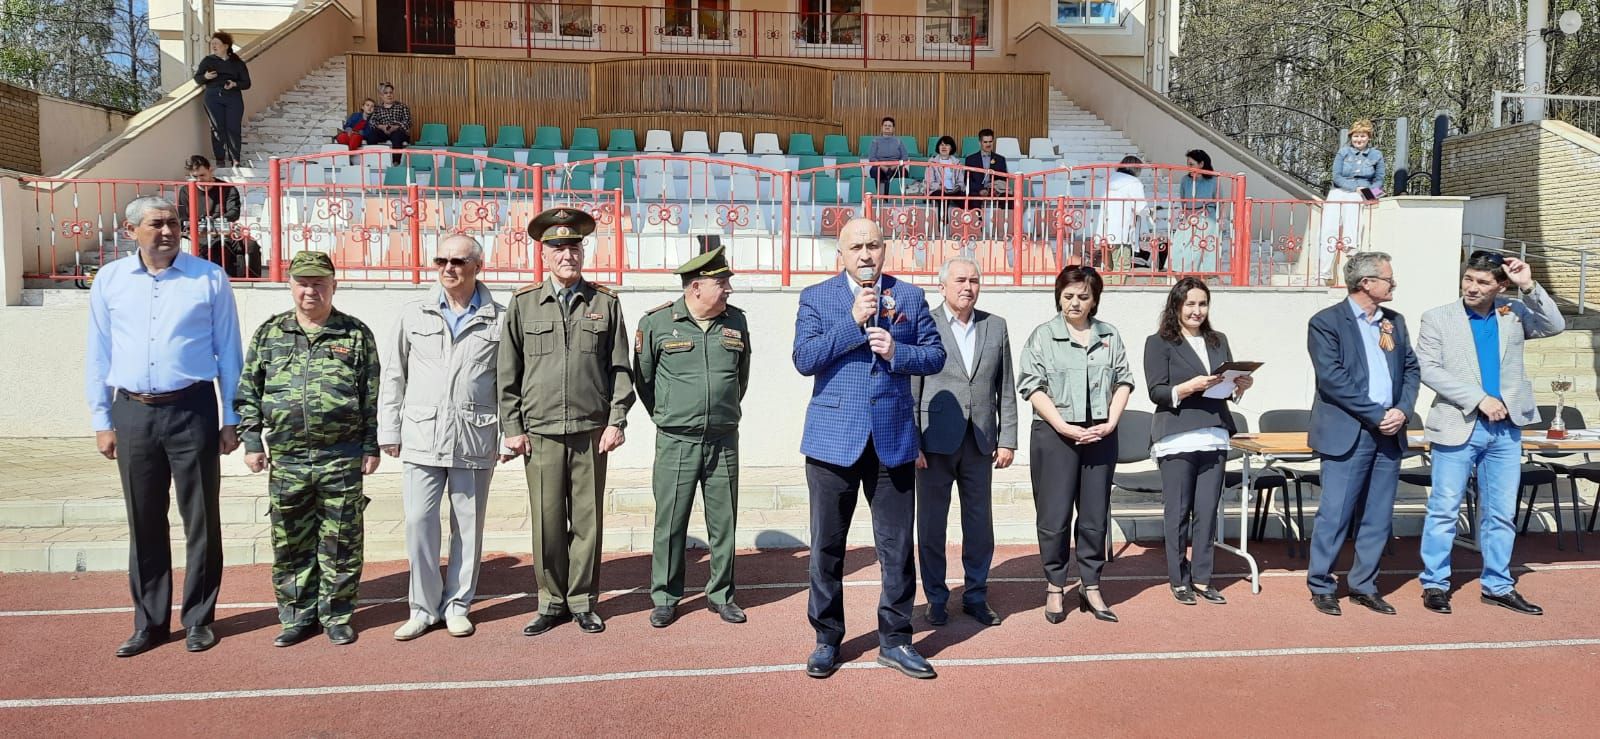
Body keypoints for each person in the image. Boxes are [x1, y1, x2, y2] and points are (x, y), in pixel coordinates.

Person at [86, 196, 242, 657]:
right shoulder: (110, 280)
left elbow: (228, 352)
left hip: (192, 407)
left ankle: (198, 618)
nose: (168, 231)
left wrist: (231, 416)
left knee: (200, 519)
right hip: (131, 411)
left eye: (173, 222)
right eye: (156, 224)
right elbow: (99, 354)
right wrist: (102, 419)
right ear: (133, 230)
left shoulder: (209, 278)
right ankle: (150, 622)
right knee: (144, 519)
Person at [794, 218, 945, 680]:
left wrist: (898, 352)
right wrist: (853, 322)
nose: (865, 254)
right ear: (840, 253)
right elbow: (804, 359)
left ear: (885, 250)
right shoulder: (817, 298)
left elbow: (935, 355)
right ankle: (825, 639)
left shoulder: (912, 296)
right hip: (832, 443)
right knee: (827, 548)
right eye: (856, 246)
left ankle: (896, 640)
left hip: (893, 441)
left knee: (897, 549)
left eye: (873, 245)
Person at [497, 207, 634, 637]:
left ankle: (583, 601)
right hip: (540, 432)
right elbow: (507, 372)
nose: (566, 255)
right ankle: (550, 600)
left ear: (583, 251)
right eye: (557, 247)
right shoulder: (523, 305)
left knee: (588, 522)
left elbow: (621, 369)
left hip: (592, 431)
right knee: (547, 520)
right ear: (544, 254)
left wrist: (617, 420)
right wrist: (513, 427)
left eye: (573, 246)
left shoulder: (605, 304)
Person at [236, 251, 382, 647]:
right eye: (303, 282)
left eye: (319, 283)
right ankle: (297, 617)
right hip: (288, 459)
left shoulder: (354, 334)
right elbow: (248, 392)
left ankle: (336, 615)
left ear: (333, 286)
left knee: (341, 542)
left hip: (341, 457)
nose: (310, 290)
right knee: (289, 541)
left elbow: (371, 396)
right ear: (290, 285)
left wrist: (371, 446)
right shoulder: (270, 333)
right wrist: (252, 442)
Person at [1416, 252, 1563, 616]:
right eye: (1468, 279)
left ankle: (1497, 585)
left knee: (1500, 512)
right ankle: (1435, 583)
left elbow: (1555, 325)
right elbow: (1427, 368)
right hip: (1457, 424)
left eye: (1482, 282)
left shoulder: (1512, 311)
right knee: (1444, 509)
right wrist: (1479, 399)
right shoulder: (1438, 317)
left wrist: (1528, 284)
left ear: (1500, 285)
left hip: (1506, 429)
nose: (1472, 287)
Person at [379, 235, 504, 641]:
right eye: (441, 260)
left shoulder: (500, 319)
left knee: (467, 526)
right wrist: (389, 428)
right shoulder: (413, 314)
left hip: (473, 435)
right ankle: (423, 607)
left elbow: (507, 384)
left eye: (458, 261)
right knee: (419, 522)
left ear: (477, 267)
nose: (448, 268)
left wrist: (508, 432)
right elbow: (393, 374)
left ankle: (458, 605)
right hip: (421, 434)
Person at [633, 247, 751, 628]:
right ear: (696, 287)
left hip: (723, 439)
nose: (729, 289)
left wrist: (721, 411)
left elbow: (741, 378)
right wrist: (671, 416)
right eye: (722, 283)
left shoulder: (737, 322)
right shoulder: (656, 323)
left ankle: (722, 594)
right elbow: (644, 381)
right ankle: (666, 595)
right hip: (676, 441)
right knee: (671, 522)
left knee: (725, 521)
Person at [1305, 251, 1418, 616]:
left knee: (1378, 514)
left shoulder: (1394, 322)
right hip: (1349, 433)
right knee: (1335, 513)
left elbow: (1411, 369)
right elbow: (1332, 378)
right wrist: (1376, 413)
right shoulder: (1326, 322)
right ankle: (1322, 584)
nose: (1394, 283)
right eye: (1388, 278)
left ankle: (1364, 586)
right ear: (1366, 283)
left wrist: (1401, 410)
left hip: (1389, 432)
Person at [1019, 265, 1134, 625]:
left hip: (1100, 434)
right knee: (1054, 516)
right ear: (1058, 296)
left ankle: (1090, 584)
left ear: (1094, 299)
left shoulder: (1109, 336)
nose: (1074, 302)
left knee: (1095, 515)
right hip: (1055, 436)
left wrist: (1111, 422)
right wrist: (1064, 426)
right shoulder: (1042, 336)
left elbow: (1123, 382)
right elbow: (1032, 387)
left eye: (1083, 296)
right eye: (1068, 295)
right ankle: (1055, 586)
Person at [912, 257, 1016, 627]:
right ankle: (936, 598)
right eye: (960, 280)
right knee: (931, 526)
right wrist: (913, 442)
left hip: (979, 443)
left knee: (978, 525)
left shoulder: (996, 326)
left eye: (974, 280)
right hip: (933, 444)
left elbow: (1005, 388)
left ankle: (975, 595)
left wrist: (1007, 439)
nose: (967, 287)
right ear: (942, 286)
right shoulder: (926, 324)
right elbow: (914, 385)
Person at [1143, 277, 1252, 606]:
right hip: (1176, 434)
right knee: (1177, 511)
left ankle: (1203, 578)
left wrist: (1240, 386)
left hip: (1214, 433)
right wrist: (1189, 386)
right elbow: (1156, 391)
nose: (1196, 310)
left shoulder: (1218, 340)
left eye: (1202, 304)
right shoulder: (1159, 342)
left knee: (1207, 511)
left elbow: (1226, 387)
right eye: (1190, 303)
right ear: (1176, 305)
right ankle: (1179, 579)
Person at [1316, 119, 1386, 285]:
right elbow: (1337, 177)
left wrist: (1369, 193)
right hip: (1341, 190)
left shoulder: (1376, 155)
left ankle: (1350, 246)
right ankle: (1323, 272)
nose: (1359, 140)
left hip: (1360, 193)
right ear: (1351, 137)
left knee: (1354, 207)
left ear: (1368, 137)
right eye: (1356, 136)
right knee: (1329, 229)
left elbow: (1379, 179)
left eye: (1362, 136)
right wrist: (1355, 187)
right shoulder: (1343, 152)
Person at [176, 155, 261, 279]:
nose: (199, 180)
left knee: (251, 246)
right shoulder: (185, 191)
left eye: (202, 175)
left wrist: (217, 222)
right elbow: (183, 216)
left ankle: (251, 279)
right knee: (213, 246)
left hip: (225, 229)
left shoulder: (228, 188)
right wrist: (194, 228)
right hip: (199, 232)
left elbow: (234, 212)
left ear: (211, 170)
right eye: (195, 176)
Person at [193, 32, 250, 168]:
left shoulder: (237, 63)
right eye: (212, 44)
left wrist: (235, 84)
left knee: (233, 127)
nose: (213, 46)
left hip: (233, 97)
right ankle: (220, 158)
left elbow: (247, 83)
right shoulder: (208, 61)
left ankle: (235, 158)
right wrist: (206, 76)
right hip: (213, 96)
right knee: (217, 128)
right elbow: (197, 79)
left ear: (226, 46)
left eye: (216, 43)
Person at [1097, 155, 1149, 285]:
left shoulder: (1110, 180)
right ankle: (1117, 295)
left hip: (1105, 230)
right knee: (1122, 267)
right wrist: (1149, 212)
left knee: (1107, 267)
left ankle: (1106, 293)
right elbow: (1140, 208)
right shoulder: (1134, 183)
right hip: (1122, 232)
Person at [1170, 149, 1221, 276]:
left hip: (1207, 217)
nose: (1189, 167)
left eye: (1191, 164)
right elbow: (1183, 199)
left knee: (1204, 246)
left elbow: (1220, 201)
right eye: (1188, 164)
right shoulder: (1185, 180)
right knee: (1179, 243)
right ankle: (1180, 270)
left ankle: (1203, 275)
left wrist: (1221, 220)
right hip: (1189, 216)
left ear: (1201, 164)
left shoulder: (1214, 181)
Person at [366, 82, 413, 165]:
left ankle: (396, 163)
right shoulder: (377, 109)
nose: (389, 95)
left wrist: (396, 127)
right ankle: (374, 161)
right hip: (383, 131)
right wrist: (382, 127)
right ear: (381, 95)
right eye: (386, 93)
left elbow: (408, 122)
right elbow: (372, 122)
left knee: (397, 136)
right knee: (371, 135)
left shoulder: (402, 106)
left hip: (398, 131)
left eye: (390, 92)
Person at [963, 128, 1010, 212]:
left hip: (995, 190)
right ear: (980, 142)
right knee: (974, 199)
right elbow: (967, 181)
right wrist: (980, 190)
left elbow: (1003, 179)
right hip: (977, 191)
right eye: (985, 142)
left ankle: (1005, 224)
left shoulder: (1000, 159)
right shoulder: (970, 159)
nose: (988, 144)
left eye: (990, 142)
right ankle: (978, 224)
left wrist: (993, 189)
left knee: (1009, 200)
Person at [923, 135, 965, 219]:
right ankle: (942, 225)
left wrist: (958, 187)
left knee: (965, 200)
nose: (944, 147)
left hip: (953, 190)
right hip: (937, 190)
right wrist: (940, 187)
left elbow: (961, 181)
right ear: (938, 147)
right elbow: (929, 182)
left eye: (947, 145)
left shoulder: (956, 162)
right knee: (943, 197)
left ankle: (964, 225)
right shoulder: (932, 162)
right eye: (941, 145)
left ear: (951, 148)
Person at [867, 116, 910, 195]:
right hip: (880, 167)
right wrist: (884, 168)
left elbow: (905, 157)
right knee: (874, 171)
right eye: (885, 125)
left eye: (889, 126)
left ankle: (895, 197)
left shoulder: (898, 141)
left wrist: (894, 166)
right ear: (882, 127)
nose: (887, 127)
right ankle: (877, 197)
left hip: (895, 168)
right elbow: (872, 158)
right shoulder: (875, 141)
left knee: (904, 172)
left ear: (893, 128)